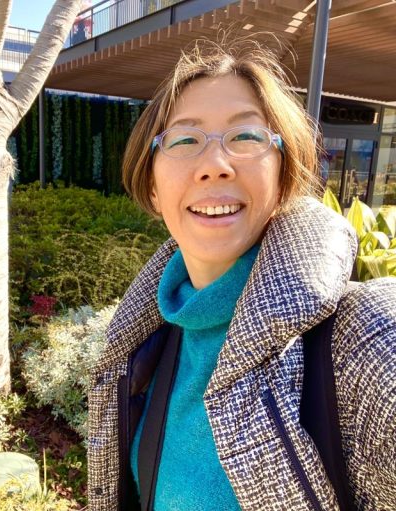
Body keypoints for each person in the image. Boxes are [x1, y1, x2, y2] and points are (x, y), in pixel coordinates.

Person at [87, 39, 396, 511]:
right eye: (184, 140)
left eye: (246, 137)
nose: (215, 166)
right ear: (152, 186)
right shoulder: (148, 340)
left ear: (284, 176)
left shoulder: (367, 338)